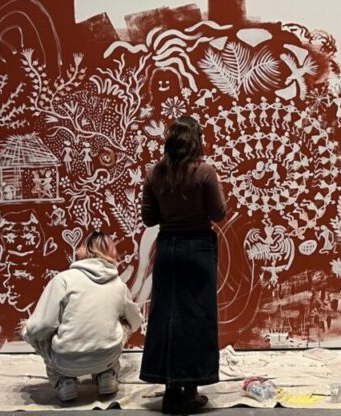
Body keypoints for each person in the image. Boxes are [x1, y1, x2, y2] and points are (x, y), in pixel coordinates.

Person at [140, 116, 228, 413]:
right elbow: (218, 214)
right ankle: (191, 390)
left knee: (166, 316)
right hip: (198, 248)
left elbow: (149, 219)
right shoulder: (205, 172)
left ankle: (170, 391)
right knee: (197, 317)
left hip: (168, 248)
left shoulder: (155, 174)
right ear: (195, 141)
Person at [21, 232, 143, 403]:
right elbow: (136, 321)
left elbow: (42, 325)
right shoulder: (119, 285)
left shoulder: (63, 280)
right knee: (122, 325)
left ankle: (63, 381)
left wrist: (27, 332)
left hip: (66, 361)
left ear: (86, 250)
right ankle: (107, 375)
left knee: (33, 329)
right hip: (106, 358)